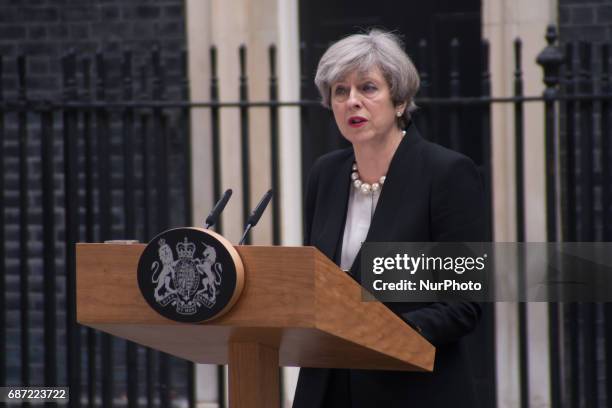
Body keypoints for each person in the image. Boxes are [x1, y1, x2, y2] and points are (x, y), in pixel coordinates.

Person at [293, 30, 487, 408]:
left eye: (368, 88)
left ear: (399, 101)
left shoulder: (446, 173)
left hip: (411, 388)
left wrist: (383, 332)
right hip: (327, 388)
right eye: (340, 91)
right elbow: (315, 282)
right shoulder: (325, 174)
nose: (353, 102)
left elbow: (464, 305)